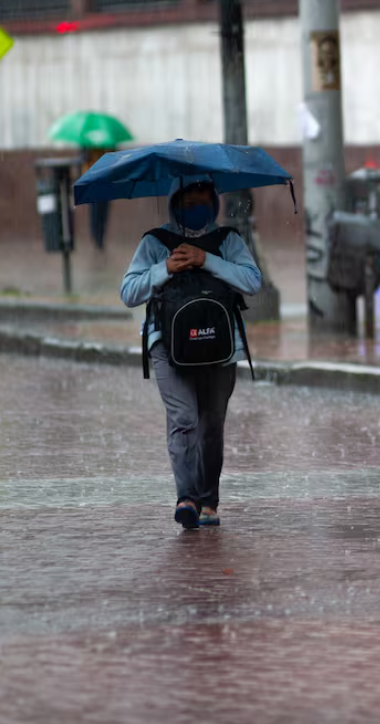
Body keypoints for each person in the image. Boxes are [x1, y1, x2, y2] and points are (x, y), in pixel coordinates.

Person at [120, 181, 261, 529]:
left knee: (211, 426)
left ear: (214, 203)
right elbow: (128, 292)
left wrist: (206, 260)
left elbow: (252, 282)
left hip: (220, 348)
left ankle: (208, 501)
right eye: (188, 200)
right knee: (184, 419)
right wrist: (165, 268)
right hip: (168, 347)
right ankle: (187, 498)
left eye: (203, 200)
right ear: (174, 203)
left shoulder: (228, 241)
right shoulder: (154, 242)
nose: (196, 206)